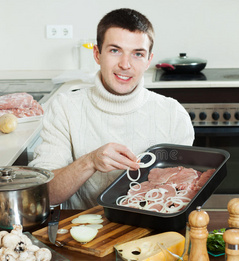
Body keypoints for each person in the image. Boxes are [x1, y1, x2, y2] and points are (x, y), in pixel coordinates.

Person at [29, 8, 194, 209]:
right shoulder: (65, 108)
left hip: (151, 233)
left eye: (137, 54)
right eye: (115, 50)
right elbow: (44, 195)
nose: (125, 64)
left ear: (148, 60)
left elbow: (182, 195)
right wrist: (90, 162)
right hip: (83, 231)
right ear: (97, 54)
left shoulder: (172, 114)